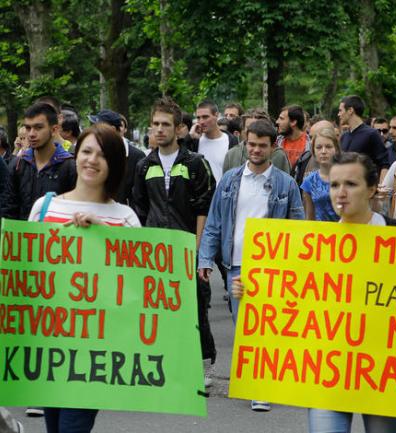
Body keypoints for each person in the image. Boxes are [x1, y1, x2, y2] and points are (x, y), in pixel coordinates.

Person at [230, 152, 396, 433]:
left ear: (371, 190)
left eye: (350, 185)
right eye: (334, 185)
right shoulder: (313, 245)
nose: (340, 194)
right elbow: (290, 303)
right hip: (325, 375)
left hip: (383, 377)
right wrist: (253, 292)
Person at [28, 123, 141, 433]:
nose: (92, 160)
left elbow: (140, 283)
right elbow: (26, 273)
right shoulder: (45, 207)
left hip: (95, 352)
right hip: (48, 345)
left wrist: (102, 233)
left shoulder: (125, 218)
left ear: (114, 165)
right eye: (87, 151)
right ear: (76, 155)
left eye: (102, 155)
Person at [197, 119, 304, 412]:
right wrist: (205, 259)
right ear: (245, 143)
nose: (255, 150)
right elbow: (215, 223)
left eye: (262, 145)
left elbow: (298, 228)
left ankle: (261, 386)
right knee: (243, 326)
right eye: (251, 144)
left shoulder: (286, 183)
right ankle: (259, 379)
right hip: (236, 266)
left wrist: (294, 266)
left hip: (272, 267)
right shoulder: (230, 180)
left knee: (264, 328)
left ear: (273, 147)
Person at [133, 96, 217, 386]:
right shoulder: (144, 166)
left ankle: (203, 363)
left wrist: (197, 248)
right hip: (156, 251)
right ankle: (164, 361)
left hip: (187, 247)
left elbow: (205, 207)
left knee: (195, 305)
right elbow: (140, 209)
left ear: (179, 128)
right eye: (155, 124)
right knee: (159, 307)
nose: (159, 130)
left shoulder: (195, 163)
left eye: (165, 124)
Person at [4, 102, 76, 221]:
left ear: (54, 130)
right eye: (28, 128)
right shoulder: (17, 165)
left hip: (54, 237)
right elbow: (8, 209)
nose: (31, 134)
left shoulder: (70, 167)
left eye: (38, 127)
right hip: (22, 237)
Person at [337, 95, 389, 179]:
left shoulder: (372, 134)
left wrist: (381, 187)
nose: (338, 114)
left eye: (340, 110)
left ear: (350, 110)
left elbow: (384, 164)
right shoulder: (344, 136)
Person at [301, 127, 341, 222]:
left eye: (328, 146)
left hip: (347, 233)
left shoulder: (348, 177)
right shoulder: (309, 181)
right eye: (319, 147)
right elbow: (309, 218)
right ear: (313, 151)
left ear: (336, 149)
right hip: (321, 234)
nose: (323, 151)